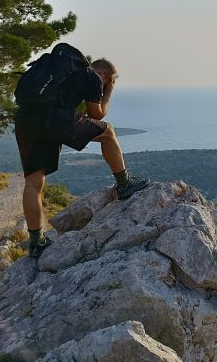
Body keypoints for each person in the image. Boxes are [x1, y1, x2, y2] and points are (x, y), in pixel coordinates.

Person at [14, 55, 149, 257]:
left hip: (25, 121)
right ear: (103, 74)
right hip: (53, 120)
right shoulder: (92, 76)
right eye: (109, 81)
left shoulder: (64, 72)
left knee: (34, 181)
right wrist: (108, 91)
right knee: (108, 131)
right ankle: (124, 183)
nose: (106, 85)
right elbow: (98, 114)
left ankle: (36, 242)